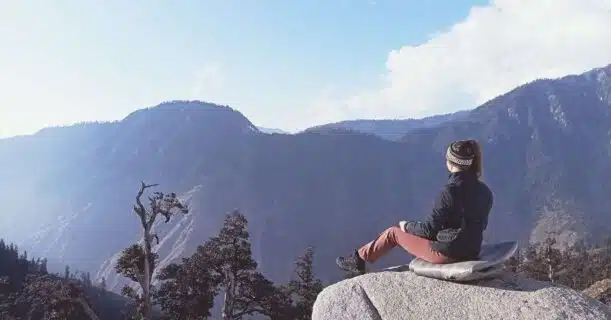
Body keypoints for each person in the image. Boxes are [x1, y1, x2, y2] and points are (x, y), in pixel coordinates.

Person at [336, 139, 494, 275]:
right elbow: (479, 225)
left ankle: (359, 259)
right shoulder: (485, 191)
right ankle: (360, 258)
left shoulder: (449, 192)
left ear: (449, 162)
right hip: (472, 250)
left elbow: (428, 231)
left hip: (447, 253)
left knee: (393, 233)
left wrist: (407, 226)